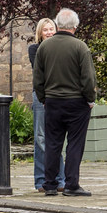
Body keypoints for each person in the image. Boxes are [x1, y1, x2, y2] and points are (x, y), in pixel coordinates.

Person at [32, 8, 96, 197]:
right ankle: (71, 185)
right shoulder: (80, 47)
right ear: (75, 27)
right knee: (74, 144)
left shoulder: (44, 47)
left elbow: (38, 79)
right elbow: (88, 79)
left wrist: (44, 99)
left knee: (53, 143)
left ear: (58, 25)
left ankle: (50, 185)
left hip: (52, 102)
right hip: (77, 103)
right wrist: (90, 99)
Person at [28, 17, 64, 192]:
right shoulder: (34, 49)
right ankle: (41, 180)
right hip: (41, 95)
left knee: (55, 138)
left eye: (52, 29)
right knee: (40, 138)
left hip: (58, 95)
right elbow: (41, 69)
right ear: (40, 33)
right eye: (45, 30)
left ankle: (60, 179)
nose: (49, 32)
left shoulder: (62, 48)